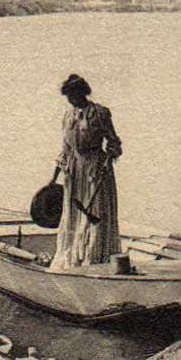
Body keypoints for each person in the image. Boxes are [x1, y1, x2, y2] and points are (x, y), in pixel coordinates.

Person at [51, 74, 124, 270]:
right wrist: (53, 179)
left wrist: (110, 157)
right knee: (74, 213)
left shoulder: (99, 113)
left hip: (95, 169)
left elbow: (114, 142)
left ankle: (94, 258)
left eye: (72, 95)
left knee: (95, 213)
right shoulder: (68, 116)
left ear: (82, 93)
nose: (70, 99)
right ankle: (73, 258)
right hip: (74, 170)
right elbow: (65, 149)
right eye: (68, 96)